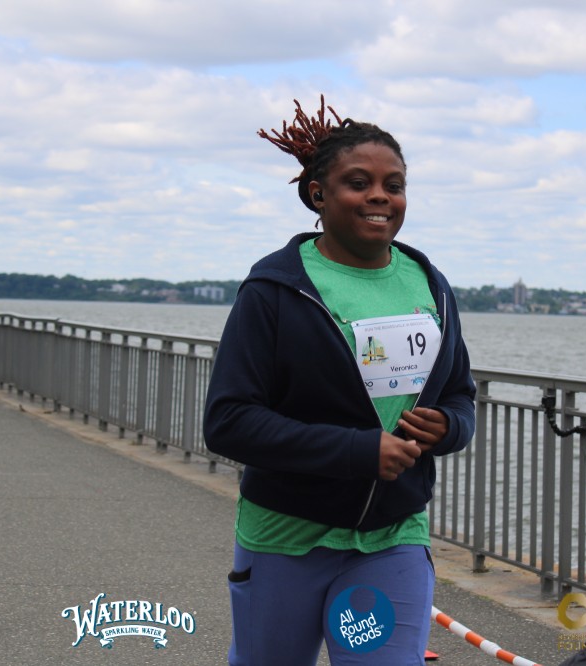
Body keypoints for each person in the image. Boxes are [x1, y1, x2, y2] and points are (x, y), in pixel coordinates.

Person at [204, 97, 476, 665]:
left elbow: (459, 394)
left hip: (392, 537)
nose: (380, 196)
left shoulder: (430, 284)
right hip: (286, 538)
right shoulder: (274, 290)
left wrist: (449, 426)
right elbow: (229, 422)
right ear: (317, 195)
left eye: (394, 185)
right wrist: (356, 451)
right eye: (359, 183)